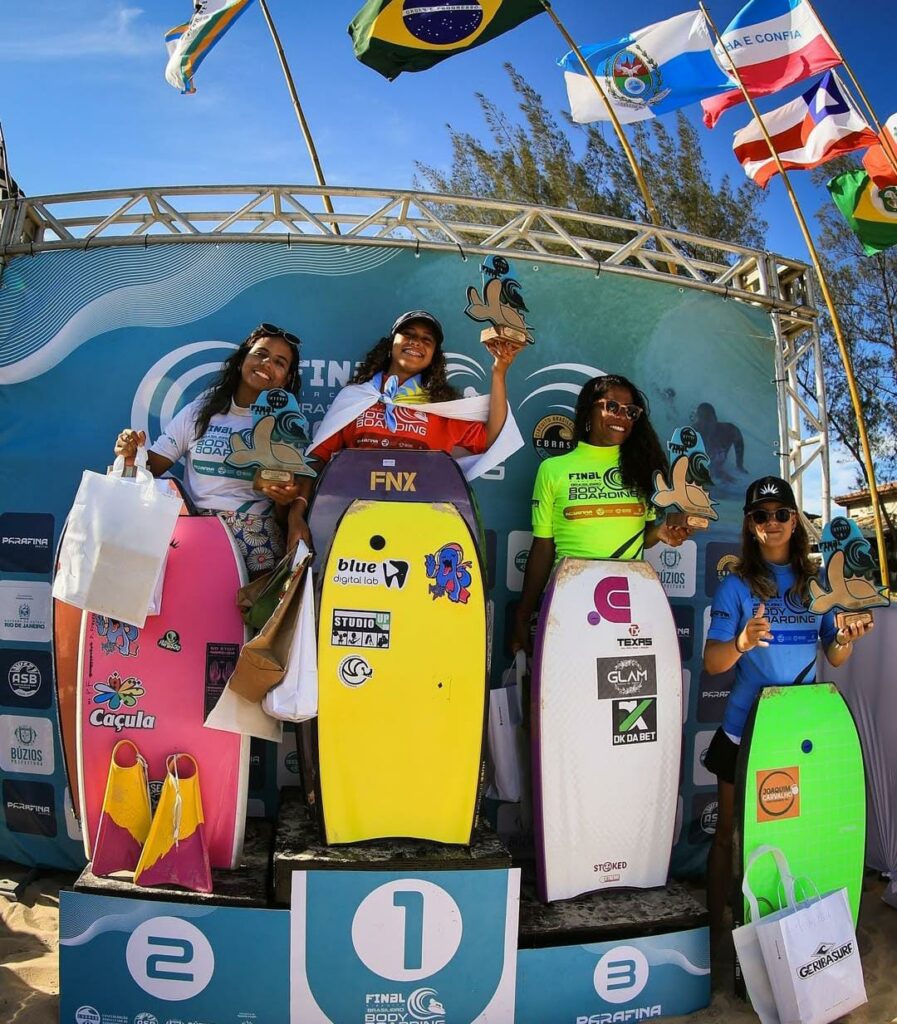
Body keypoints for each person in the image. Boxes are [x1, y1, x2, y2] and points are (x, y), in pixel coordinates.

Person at [702, 475, 871, 933]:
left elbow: (834, 654)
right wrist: (741, 641)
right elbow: (714, 663)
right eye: (761, 515)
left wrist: (846, 638)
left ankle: (787, 934)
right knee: (728, 835)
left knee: (793, 834)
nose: (771, 522)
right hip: (746, 731)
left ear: (795, 521)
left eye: (780, 514)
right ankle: (716, 937)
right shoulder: (736, 587)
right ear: (750, 524)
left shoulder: (816, 586)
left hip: (801, 735)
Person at [288, 309, 523, 545]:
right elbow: (316, 461)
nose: (416, 342)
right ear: (392, 344)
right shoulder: (355, 398)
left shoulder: (441, 408)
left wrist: (499, 371)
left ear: (433, 355)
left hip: (420, 529)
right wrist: (296, 515)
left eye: (426, 340)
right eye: (408, 334)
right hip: (354, 524)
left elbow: (492, 438)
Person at [511, 374, 691, 653]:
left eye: (631, 412)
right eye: (612, 407)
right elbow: (543, 546)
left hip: (627, 600)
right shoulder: (553, 470)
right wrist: (523, 616)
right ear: (588, 411)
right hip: (569, 596)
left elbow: (643, 537)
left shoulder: (645, 470)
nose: (622, 417)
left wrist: (661, 532)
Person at [115, 323, 307, 578]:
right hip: (195, 536)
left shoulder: (287, 423)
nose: (267, 364)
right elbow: (151, 468)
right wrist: (131, 454)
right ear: (241, 360)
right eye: (260, 354)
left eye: (279, 362)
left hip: (257, 542)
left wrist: (282, 498)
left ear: (286, 379)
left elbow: (284, 511)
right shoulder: (200, 411)